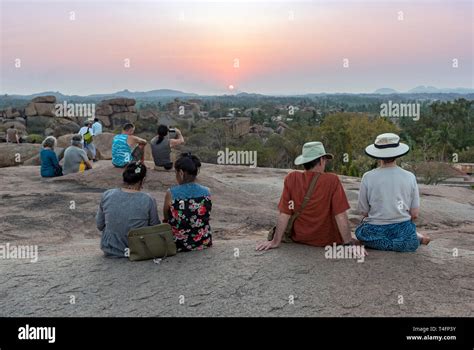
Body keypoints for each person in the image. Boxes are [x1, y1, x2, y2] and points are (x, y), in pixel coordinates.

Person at [256, 141, 355, 251]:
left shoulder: (292, 178)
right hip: (326, 240)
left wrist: (275, 241)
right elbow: (340, 214)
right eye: (325, 160)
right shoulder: (332, 180)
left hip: (300, 238)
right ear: (321, 160)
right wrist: (349, 243)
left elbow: (285, 213)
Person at [356, 133, 430, 252]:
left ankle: (384, 242)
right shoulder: (410, 177)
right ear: (397, 153)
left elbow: (364, 212)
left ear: (377, 154)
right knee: (407, 236)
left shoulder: (368, 177)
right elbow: (414, 214)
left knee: (361, 233)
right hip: (402, 231)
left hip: (374, 231)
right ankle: (414, 238)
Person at [96, 162, 160, 258]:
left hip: (110, 249)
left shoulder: (107, 194)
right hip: (138, 250)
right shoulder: (148, 199)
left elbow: (100, 225)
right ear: (143, 180)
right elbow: (155, 227)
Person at [163, 153, 212, 252]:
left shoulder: (171, 193)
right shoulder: (207, 192)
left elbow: (166, 216)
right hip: (203, 241)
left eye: (175, 172)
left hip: (178, 243)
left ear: (181, 172)